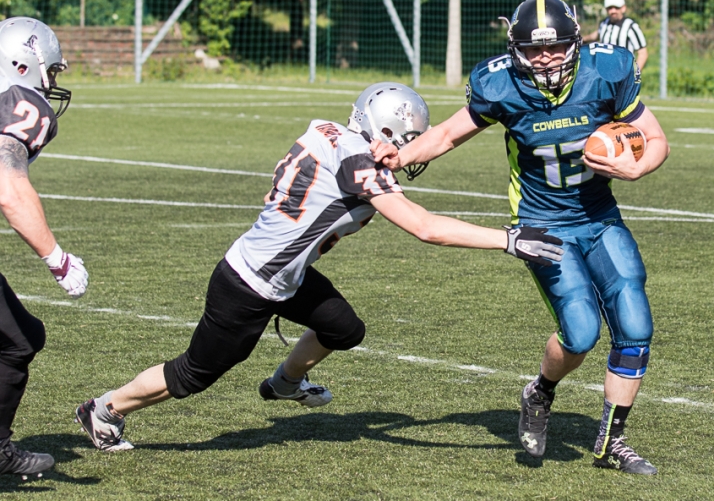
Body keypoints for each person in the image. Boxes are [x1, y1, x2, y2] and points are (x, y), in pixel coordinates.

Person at [74, 82, 563, 452]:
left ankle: (284, 384)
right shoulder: (357, 165)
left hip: (284, 271)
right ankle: (103, 409)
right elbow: (424, 227)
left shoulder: (327, 130)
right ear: (382, 131)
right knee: (191, 375)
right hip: (250, 283)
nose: (406, 150)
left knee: (343, 328)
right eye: (403, 139)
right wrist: (508, 239)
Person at [371, 0, 669, 474]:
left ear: (576, 43)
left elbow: (656, 141)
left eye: (554, 48)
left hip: (597, 214)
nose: (544, 58)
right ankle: (540, 392)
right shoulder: (500, 83)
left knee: (635, 325)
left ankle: (612, 442)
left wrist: (635, 170)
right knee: (580, 333)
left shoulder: (608, 70)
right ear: (514, 47)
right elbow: (447, 134)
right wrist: (399, 158)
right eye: (532, 50)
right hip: (541, 222)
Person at [0, 17, 88, 478]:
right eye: (50, 71)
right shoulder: (20, 101)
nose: (51, 82)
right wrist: (57, 258)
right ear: (22, 65)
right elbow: (7, 184)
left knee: (20, 337)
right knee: (16, 340)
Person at [583, 0, 649, 71]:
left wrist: (634, 74)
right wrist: (582, 38)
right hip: (605, 72)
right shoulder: (604, 23)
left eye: (616, 8)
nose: (613, 11)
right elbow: (598, 34)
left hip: (623, 73)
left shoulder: (630, 26)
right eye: (610, 8)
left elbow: (643, 53)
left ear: (623, 8)